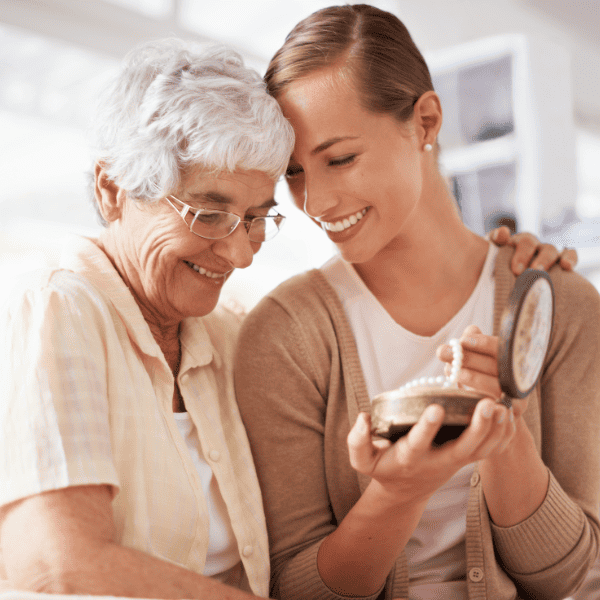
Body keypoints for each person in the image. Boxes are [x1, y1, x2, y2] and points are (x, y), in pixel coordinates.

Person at [234, 5, 600, 600]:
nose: (316, 202)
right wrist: (395, 494)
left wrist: (504, 441)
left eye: (341, 158)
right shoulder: (283, 336)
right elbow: (296, 589)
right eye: (295, 172)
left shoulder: (561, 308)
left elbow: (570, 577)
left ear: (425, 121)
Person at [0, 39, 295, 599]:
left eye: (256, 218)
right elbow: (58, 566)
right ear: (112, 191)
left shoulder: (227, 332)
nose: (240, 254)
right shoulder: (57, 310)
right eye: (209, 214)